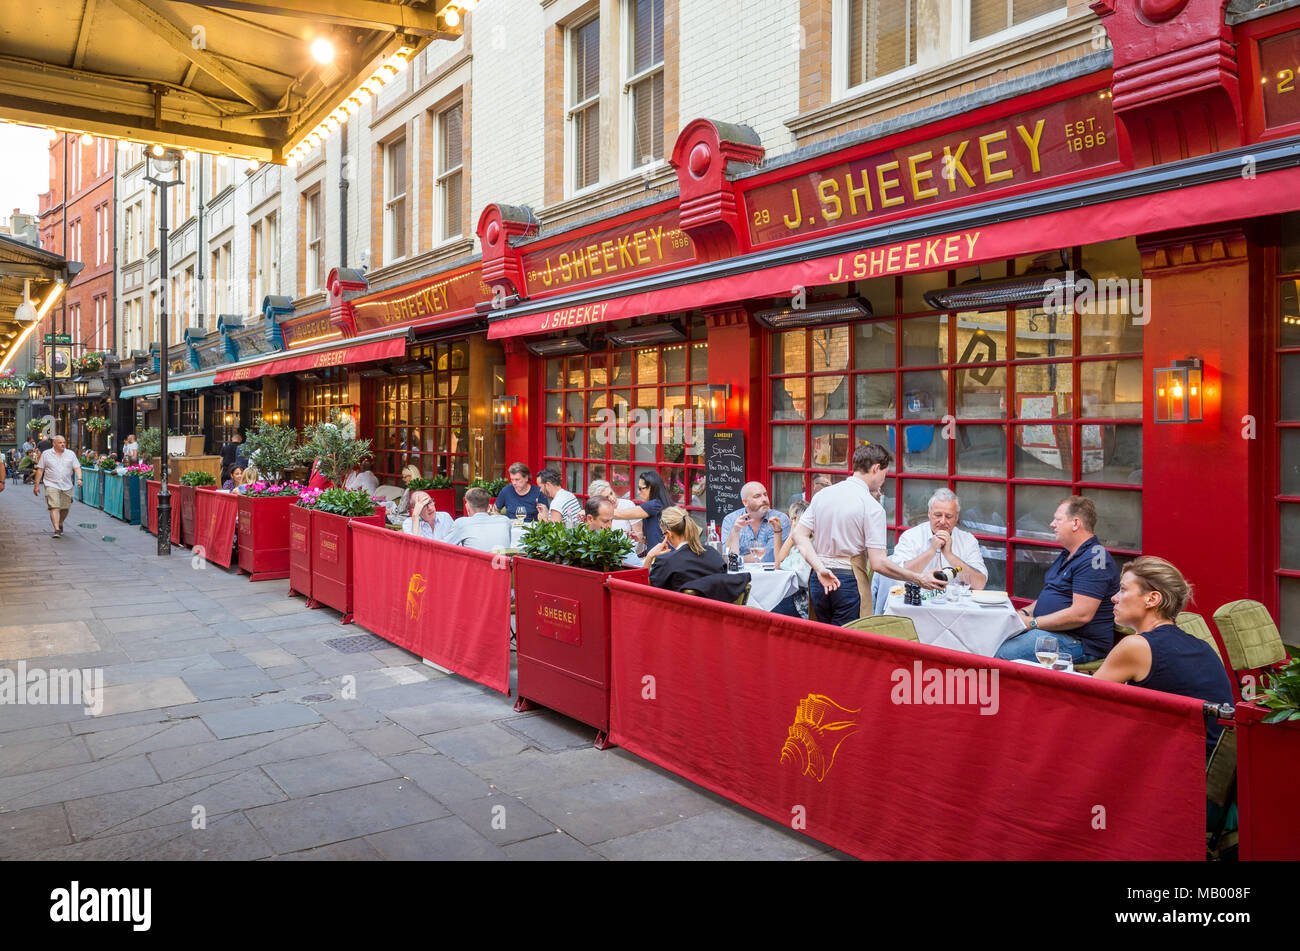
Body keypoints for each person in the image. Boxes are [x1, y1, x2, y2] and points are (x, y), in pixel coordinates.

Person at [1092, 556, 1233, 759]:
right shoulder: (1201, 645)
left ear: (1152, 599)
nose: (1114, 597)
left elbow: (1085, 703)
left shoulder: (1136, 646)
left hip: (1180, 770)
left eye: (1123, 589)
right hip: (1212, 768)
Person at [793, 443, 943, 626]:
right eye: (884, 474)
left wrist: (819, 568)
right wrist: (919, 578)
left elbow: (799, 536)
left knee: (824, 643)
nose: (883, 480)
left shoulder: (822, 495)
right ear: (876, 468)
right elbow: (878, 563)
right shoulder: (871, 507)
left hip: (819, 579)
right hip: (849, 581)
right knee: (849, 645)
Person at [995, 496, 1120, 664]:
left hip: (1079, 642)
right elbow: (1051, 594)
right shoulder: (1068, 553)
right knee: (989, 640)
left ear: (1076, 523)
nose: (1052, 524)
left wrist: (1032, 623)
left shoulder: (1095, 558)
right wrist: (1023, 613)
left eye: (1058, 519)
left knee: (1001, 654)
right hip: (1049, 632)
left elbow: (1081, 614)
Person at [889, 488, 988, 589]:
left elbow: (979, 584)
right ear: (929, 513)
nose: (942, 521)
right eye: (938, 515)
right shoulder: (910, 536)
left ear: (956, 517)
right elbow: (899, 576)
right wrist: (931, 550)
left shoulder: (968, 540)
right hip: (919, 601)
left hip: (955, 602)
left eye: (948, 516)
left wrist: (950, 555)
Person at [646, 506, 749, 603]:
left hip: (678, 615)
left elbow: (645, 592)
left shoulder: (666, 561)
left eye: (663, 534)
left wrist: (649, 557)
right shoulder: (713, 554)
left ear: (668, 534)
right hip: (714, 615)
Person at [722, 481, 791, 562]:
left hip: (770, 573)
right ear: (745, 502)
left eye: (765, 495)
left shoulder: (780, 519)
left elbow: (770, 557)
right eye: (757, 496)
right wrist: (735, 531)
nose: (764, 499)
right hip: (740, 573)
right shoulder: (731, 519)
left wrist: (738, 560)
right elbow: (726, 555)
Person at [33, 434, 83, 538]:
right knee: (54, 506)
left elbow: (77, 467)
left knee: (65, 508)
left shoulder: (71, 454)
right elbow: (40, 469)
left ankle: (60, 523)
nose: (63, 444)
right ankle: (56, 529)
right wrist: (36, 485)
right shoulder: (46, 454)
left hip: (67, 485)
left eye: (64, 442)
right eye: (60, 442)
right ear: (54, 444)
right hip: (51, 483)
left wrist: (79, 478)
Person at [443, 487, 512, 551]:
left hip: (477, 563)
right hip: (501, 563)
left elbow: (443, 546)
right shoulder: (505, 521)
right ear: (488, 507)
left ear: (467, 507)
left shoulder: (462, 523)